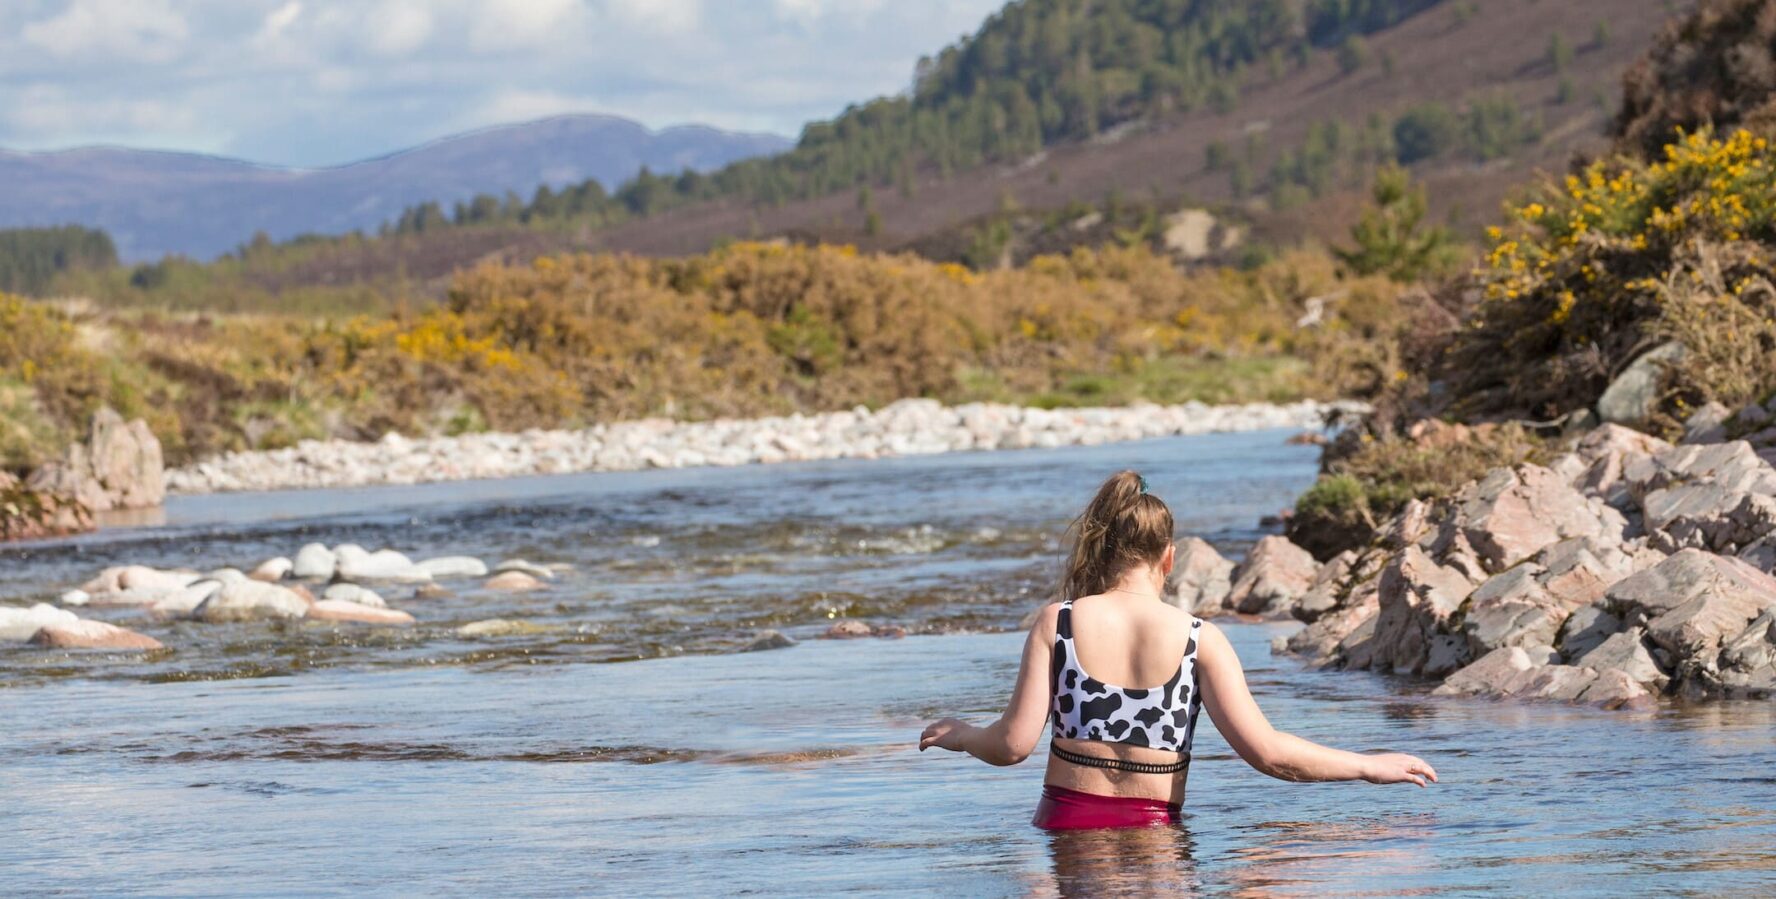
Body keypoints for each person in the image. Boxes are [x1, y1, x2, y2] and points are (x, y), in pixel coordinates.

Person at [918, 470, 1437, 830]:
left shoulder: (1061, 621)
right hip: (1156, 836)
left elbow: (1012, 746)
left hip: (1067, 827)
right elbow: (1271, 755)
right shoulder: (1199, 639)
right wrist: (1369, 765)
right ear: (1169, 558)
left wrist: (962, 735)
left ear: (1101, 550)